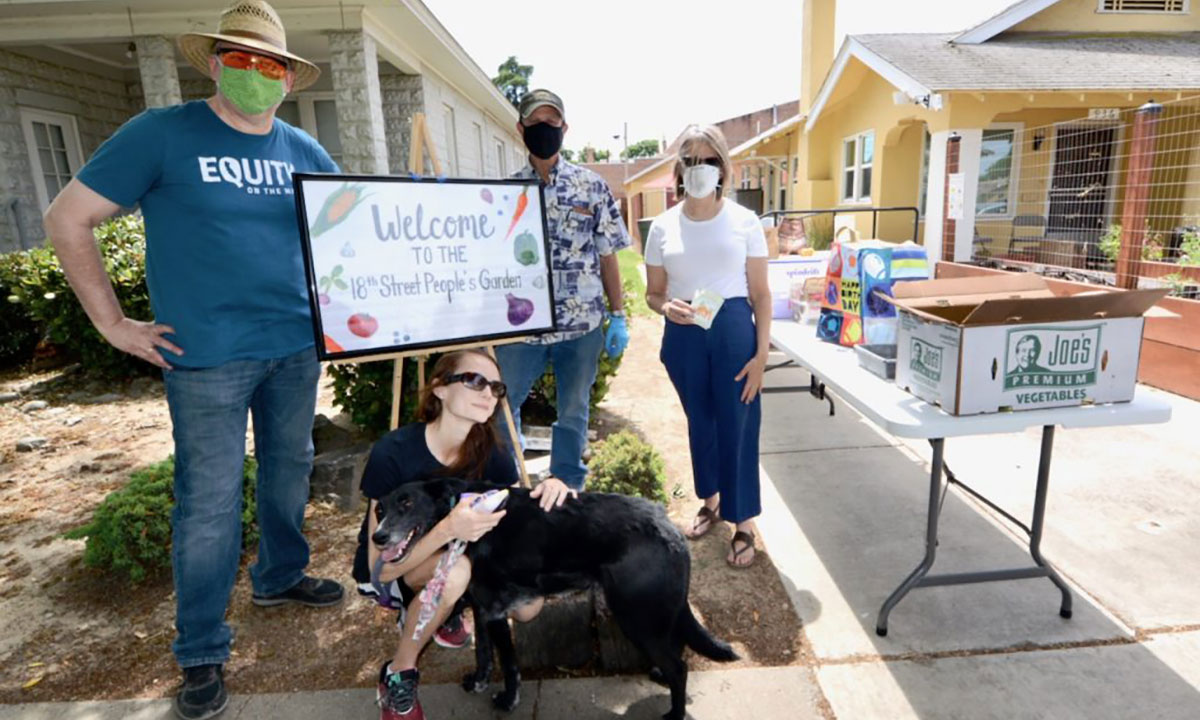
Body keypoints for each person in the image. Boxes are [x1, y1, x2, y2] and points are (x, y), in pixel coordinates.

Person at [41, 2, 343, 717]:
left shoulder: (304, 151)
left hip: (297, 347)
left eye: (271, 64)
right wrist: (112, 324)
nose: (255, 74)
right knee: (207, 506)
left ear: (290, 79)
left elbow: (350, 228)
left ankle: (280, 574)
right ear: (212, 62)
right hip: (206, 358)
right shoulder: (161, 135)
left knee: (290, 467)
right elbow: (67, 217)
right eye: (239, 59)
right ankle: (202, 649)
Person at [354, 349, 575, 720]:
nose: (488, 393)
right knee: (453, 575)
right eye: (474, 381)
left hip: (466, 556)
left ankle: (452, 607)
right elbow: (381, 572)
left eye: (496, 387)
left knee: (528, 606)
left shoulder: (494, 455)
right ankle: (399, 672)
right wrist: (447, 530)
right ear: (439, 389)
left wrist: (551, 489)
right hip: (405, 566)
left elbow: (514, 527)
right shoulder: (393, 452)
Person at [643, 124, 772, 569]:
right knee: (701, 422)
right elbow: (653, 293)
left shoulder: (744, 221)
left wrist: (761, 357)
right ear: (680, 168)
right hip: (684, 334)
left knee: (738, 423)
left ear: (724, 167)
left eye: (710, 160)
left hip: (734, 328)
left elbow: (761, 295)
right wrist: (666, 308)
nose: (701, 168)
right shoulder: (661, 226)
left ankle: (744, 523)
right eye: (692, 160)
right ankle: (712, 502)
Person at [496, 88, 631, 491]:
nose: (544, 130)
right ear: (521, 129)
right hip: (521, 326)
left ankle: (567, 483)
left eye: (552, 123)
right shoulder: (502, 194)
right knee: (501, 405)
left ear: (565, 129)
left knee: (573, 410)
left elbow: (609, 255)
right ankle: (511, 478)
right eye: (536, 123)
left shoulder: (592, 187)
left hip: (582, 324)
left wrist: (619, 314)